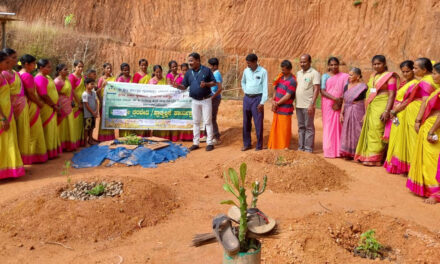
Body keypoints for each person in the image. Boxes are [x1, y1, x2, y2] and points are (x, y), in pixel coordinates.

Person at [354, 55, 398, 166]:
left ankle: (377, 159)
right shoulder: (373, 75)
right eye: (374, 64)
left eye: (379, 64)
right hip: (372, 104)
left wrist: (387, 110)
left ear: (384, 64)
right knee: (370, 130)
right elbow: (371, 90)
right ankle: (368, 156)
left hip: (382, 105)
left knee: (378, 129)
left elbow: (392, 94)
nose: (376, 66)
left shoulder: (390, 77)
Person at [406, 62, 440, 204]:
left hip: (435, 128)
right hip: (430, 125)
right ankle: (428, 189)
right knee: (427, 161)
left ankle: (436, 193)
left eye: (435, 73)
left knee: (433, 161)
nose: (432, 76)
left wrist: (432, 130)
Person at [174, 52, 216, 151]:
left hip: (206, 100)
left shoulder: (206, 70)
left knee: (208, 122)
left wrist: (206, 84)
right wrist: (177, 86)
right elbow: (184, 86)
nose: (190, 63)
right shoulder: (189, 73)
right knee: (196, 122)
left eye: (191, 61)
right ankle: (195, 143)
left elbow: (214, 83)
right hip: (195, 101)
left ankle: (210, 143)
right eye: (189, 61)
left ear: (198, 61)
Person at [384, 60, 418, 173]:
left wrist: (395, 110)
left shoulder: (415, 83)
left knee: (403, 138)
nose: (405, 74)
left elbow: (409, 99)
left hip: (403, 113)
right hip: (396, 114)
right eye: (403, 72)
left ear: (413, 70)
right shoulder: (404, 82)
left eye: (407, 71)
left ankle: (407, 166)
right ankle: (395, 164)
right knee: (395, 136)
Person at [2, 48, 31, 164]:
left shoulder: (14, 73)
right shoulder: (4, 74)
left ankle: (20, 161)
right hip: (9, 108)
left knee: (21, 133)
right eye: (12, 58)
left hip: (17, 105)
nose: (15, 60)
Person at [19, 54, 48, 163]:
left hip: (25, 104)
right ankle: (34, 155)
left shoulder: (19, 74)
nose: (35, 66)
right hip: (31, 104)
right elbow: (30, 93)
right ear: (26, 64)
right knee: (35, 130)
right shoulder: (27, 75)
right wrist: (39, 103)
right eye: (33, 64)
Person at [0, 51, 25, 179]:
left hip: (7, 112)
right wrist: (3, 117)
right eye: (7, 62)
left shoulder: (2, 75)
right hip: (2, 115)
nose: (9, 65)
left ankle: (9, 170)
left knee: (7, 141)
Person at [320, 57, 349, 158]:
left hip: (340, 103)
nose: (334, 66)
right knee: (329, 126)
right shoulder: (325, 76)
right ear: (328, 66)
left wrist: (340, 99)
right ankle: (329, 150)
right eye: (331, 65)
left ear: (338, 65)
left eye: (335, 64)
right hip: (328, 104)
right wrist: (334, 98)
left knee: (339, 125)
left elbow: (347, 89)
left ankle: (339, 150)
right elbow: (322, 91)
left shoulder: (344, 76)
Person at [35, 59, 62, 159]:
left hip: (51, 107)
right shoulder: (40, 78)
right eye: (48, 67)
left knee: (52, 129)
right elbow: (43, 95)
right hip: (47, 107)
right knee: (47, 129)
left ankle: (52, 151)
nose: (50, 69)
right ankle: (47, 151)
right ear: (41, 68)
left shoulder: (47, 77)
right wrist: (54, 106)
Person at [241, 53, 268, 151]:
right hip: (247, 99)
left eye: (249, 64)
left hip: (257, 99)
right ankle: (247, 144)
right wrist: (245, 90)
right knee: (246, 122)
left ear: (255, 62)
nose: (248, 65)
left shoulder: (263, 71)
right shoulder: (246, 71)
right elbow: (243, 81)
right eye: (247, 64)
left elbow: (265, 87)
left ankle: (259, 146)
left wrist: (262, 102)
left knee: (258, 123)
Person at [267, 60, 297, 149]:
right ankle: (274, 146)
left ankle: (283, 147)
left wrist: (277, 103)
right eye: (282, 69)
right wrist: (273, 100)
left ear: (289, 69)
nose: (282, 71)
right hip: (277, 108)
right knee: (275, 128)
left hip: (285, 109)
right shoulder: (280, 77)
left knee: (283, 130)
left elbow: (288, 96)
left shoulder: (292, 81)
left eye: (284, 70)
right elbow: (275, 89)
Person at [340, 68, 367, 158]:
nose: (349, 76)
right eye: (349, 74)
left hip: (358, 110)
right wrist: (341, 113)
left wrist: (365, 114)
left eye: (351, 75)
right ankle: (348, 152)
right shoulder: (346, 86)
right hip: (347, 111)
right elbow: (344, 101)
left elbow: (365, 101)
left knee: (357, 130)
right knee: (347, 131)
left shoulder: (363, 87)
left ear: (358, 76)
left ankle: (357, 152)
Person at [295, 54, 320, 153]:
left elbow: (316, 89)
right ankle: (301, 148)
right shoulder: (298, 73)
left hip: (308, 105)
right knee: (301, 127)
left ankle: (308, 149)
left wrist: (312, 104)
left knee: (309, 127)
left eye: (304, 62)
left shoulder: (314, 73)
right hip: (298, 105)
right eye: (301, 62)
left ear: (310, 62)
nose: (302, 64)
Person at [55, 64, 78, 151]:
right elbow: (55, 94)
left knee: (69, 124)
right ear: (60, 71)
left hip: (68, 103)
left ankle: (69, 145)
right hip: (61, 104)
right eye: (65, 70)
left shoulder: (67, 80)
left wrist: (72, 100)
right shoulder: (57, 81)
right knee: (62, 125)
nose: (67, 71)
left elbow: (71, 91)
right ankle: (62, 145)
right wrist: (58, 106)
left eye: (67, 69)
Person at [96, 62, 116, 141]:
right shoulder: (101, 79)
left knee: (110, 119)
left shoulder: (114, 79)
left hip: (112, 102)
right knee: (103, 120)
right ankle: (102, 138)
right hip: (104, 103)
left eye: (110, 68)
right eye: (107, 68)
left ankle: (110, 138)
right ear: (104, 69)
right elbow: (97, 91)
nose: (109, 69)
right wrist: (101, 101)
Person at [69, 60, 85, 147]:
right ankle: (74, 142)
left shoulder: (83, 77)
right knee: (75, 122)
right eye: (79, 66)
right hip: (75, 103)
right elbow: (72, 90)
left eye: (82, 67)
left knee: (81, 122)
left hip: (83, 102)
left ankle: (80, 141)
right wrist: (78, 102)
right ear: (74, 67)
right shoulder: (72, 77)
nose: (81, 68)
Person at [208, 57, 223, 144]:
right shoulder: (214, 73)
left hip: (215, 98)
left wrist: (213, 97)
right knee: (210, 117)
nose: (209, 67)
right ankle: (211, 135)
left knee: (212, 118)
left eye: (210, 65)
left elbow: (220, 88)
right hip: (213, 97)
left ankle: (216, 137)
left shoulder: (217, 74)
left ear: (215, 66)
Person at [116, 63, 133, 137]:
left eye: (128, 70)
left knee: (130, 118)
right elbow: (118, 91)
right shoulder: (120, 79)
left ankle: (129, 135)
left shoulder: (131, 78)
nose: (127, 71)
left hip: (130, 102)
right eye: (125, 70)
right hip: (122, 102)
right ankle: (123, 136)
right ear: (122, 71)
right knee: (123, 119)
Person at [82, 78, 99, 146]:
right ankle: (85, 142)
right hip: (88, 115)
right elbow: (86, 105)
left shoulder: (94, 93)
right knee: (86, 129)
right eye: (91, 84)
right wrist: (93, 112)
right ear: (86, 85)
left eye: (93, 84)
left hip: (93, 114)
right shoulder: (85, 94)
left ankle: (90, 140)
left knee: (92, 127)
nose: (93, 86)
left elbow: (96, 102)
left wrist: (96, 111)